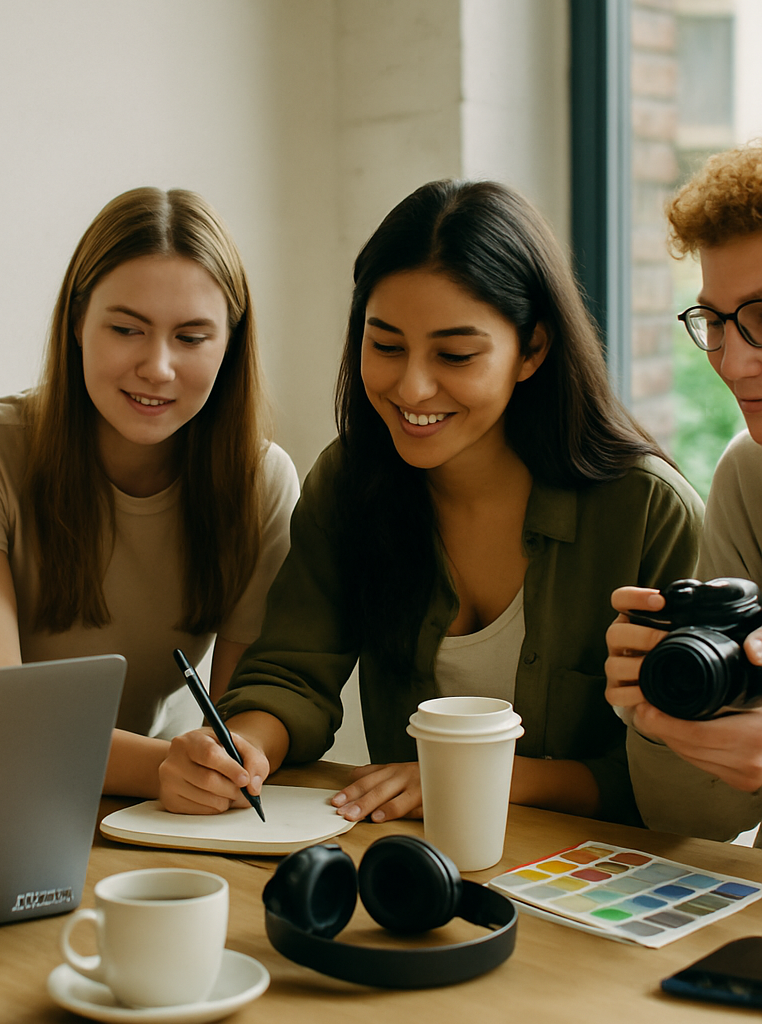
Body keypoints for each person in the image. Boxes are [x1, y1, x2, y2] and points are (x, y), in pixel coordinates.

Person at [159, 178, 703, 825]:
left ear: (532, 349)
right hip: (420, 864)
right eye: (385, 345)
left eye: (456, 354)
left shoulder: (648, 511)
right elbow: (291, 673)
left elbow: (680, 778)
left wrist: (474, 777)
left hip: (597, 870)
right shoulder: (351, 481)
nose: (412, 387)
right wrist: (240, 749)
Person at [0, 187, 299, 799]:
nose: (157, 367)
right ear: (77, 322)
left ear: (230, 343)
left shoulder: (261, 482)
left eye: (192, 337)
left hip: (156, 804)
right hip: (2, 793)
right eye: (126, 329)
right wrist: (165, 769)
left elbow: (235, 719)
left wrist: (226, 765)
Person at [606, 142, 762, 842]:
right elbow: (698, 820)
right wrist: (663, 714)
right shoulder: (750, 475)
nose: (733, 361)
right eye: (717, 323)